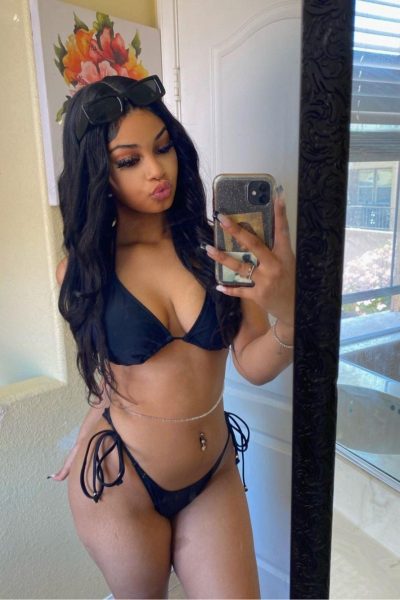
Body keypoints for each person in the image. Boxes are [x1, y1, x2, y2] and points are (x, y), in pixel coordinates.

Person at [52, 74, 295, 599]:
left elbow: (252, 363)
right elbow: (111, 376)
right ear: (99, 172)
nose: (157, 170)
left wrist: (291, 314)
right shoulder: (84, 272)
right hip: (122, 481)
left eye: (163, 148)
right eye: (129, 160)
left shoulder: (221, 248)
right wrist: (86, 431)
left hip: (214, 473)